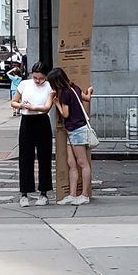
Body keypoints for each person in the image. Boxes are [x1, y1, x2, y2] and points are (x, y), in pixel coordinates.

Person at [11, 62, 56, 206]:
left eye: (41, 78)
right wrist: (21, 106)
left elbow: (47, 108)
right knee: (25, 157)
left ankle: (44, 192)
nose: (38, 81)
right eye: (35, 77)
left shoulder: (50, 87)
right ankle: (24, 193)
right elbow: (13, 102)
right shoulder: (24, 84)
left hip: (42, 120)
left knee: (44, 157)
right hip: (26, 120)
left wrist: (33, 107)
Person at [48, 68, 95, 205]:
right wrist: (90, 91)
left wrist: (56, 103)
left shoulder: (64, 94)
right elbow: (86, 98)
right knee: (72, 163)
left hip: (76, 130)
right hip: (75, 131)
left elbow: (65, 114)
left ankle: (84, 195)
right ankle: (72, 194)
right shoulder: (75, 87)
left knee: (81, 163)